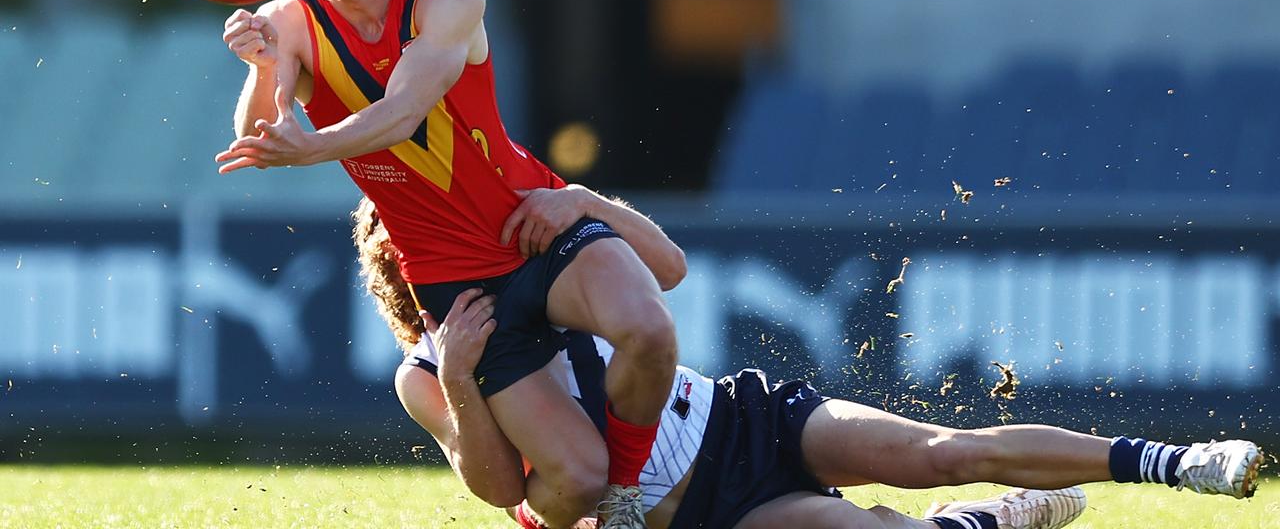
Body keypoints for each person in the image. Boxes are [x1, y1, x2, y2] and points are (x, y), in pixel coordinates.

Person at [214, 0, 678, 527]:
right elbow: (259, 133)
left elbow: (403, 113)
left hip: (533, 221)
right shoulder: (289, 20)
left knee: (649, 330)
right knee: (570, 481)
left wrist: (311, 148)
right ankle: (582, 503)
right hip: (455, 281)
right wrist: (258, 67)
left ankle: (626, 501)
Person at [355, 189, 1265, 529]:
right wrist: (467, 381)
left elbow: (666, 271)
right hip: (688, 513)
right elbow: (494, 487)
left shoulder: (536, 252)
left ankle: (1179, 464)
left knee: (942, 451)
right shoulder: (430, 368)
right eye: (412, 239)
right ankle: (993, 520)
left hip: (738, 417)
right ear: (395, 261)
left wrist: (580, 197)